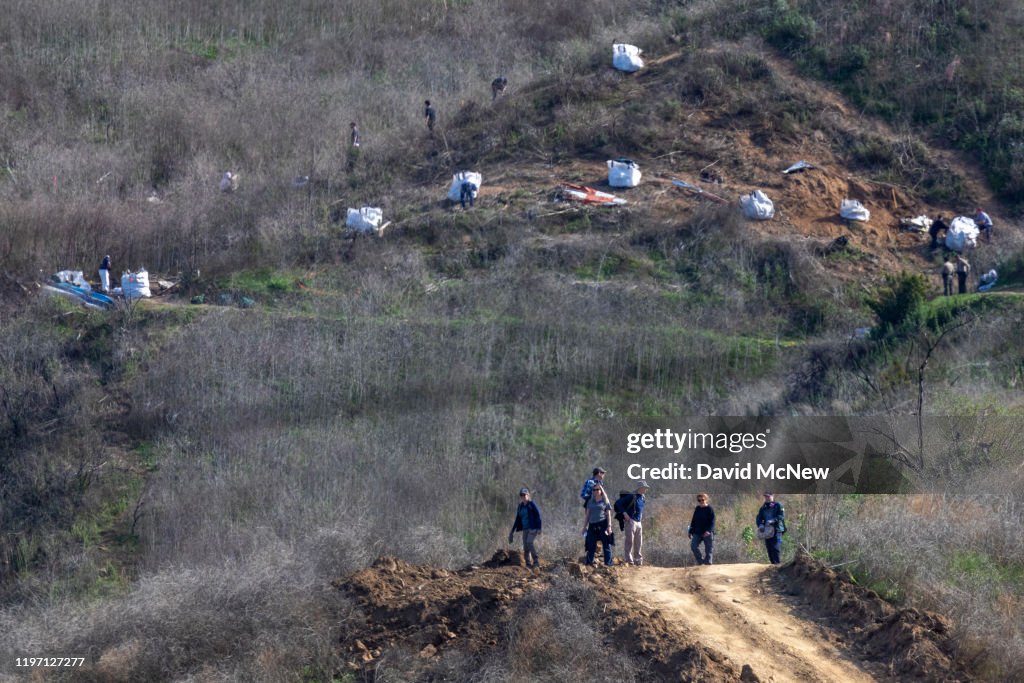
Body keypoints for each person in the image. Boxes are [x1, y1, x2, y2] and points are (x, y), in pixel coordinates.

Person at [508, 487, 542, 568]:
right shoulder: (520, 506)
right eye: (521, 495)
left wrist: (539, 528)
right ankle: (528, 564)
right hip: (525, 529)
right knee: (526, 547)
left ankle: (536, 562)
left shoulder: (531, 504)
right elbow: (517, 519)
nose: (523, 497)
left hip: (533, 528)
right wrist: (512, 531)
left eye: (524, 495)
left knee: (529, 543)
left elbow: (538, 516)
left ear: (528, 495)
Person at [582, 485, 614, 566]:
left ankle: (608, 564)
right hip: (592, 525)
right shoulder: (590, 502)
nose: (595, 491)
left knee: (606, 545)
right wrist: (585, 527)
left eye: (597, 489)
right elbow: (587, 515)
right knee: (590, 545)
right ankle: (589, 564)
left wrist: (609, 526)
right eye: (594, 490)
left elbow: (608, 514)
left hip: (603, 524)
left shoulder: (605, 501)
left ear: (601, 490)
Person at [621, 481, 649, 566]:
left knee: (638, 542)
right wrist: (625, 514)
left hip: (638, 522)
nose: (646, 489)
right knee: (629, 541)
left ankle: (638, 560)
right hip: (631, 521)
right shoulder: (631, 496)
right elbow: (619, 505)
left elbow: (640, 509)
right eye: (645, 488)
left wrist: (640, 519)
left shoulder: (643, 497)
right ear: (640, 488)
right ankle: (629, 560)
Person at [756, 492, 785, 565]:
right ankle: (772, 565)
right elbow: (759, 518)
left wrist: (773, 520)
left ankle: (777, 565)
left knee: (775, 548)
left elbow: (781, 516)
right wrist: (760, 525)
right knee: (769, 549)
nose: (767, 498)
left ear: (772, 496)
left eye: (768, 496)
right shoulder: (763, 507)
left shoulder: (778, 505)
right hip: (767, 531)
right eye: (765, 497)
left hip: (777, 530)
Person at [687, 492, 715, 565]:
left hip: (707, 533)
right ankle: (701, 561)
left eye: (702, 500)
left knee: (708, 550)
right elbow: (693, 521)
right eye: (699, 500)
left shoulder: (709, 509)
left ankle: (708, 564)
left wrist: (709, 531)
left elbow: (713, 522)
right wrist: (690, 531)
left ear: (706, 500)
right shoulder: (697, 509)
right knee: (693, 546)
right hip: (697, 532)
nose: (701, 502)